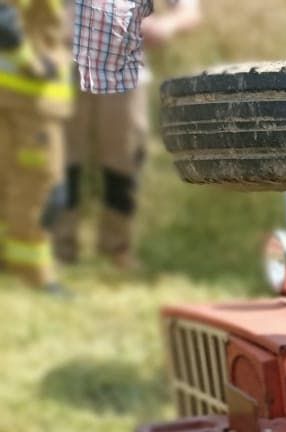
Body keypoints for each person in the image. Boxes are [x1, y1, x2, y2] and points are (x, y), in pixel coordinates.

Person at [54, 0, 201, 270]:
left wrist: (165, 26)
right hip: (62, 62)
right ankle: (59, 248)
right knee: (61, 159)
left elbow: (188, 10)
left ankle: (117, 248)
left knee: (124, 158)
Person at [0, 0, 71, 291]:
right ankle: (33, 273)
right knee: (41, 188)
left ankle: (8, 265)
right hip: (27, 102)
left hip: (24, 101)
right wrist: (30, 62)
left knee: (10, 185)